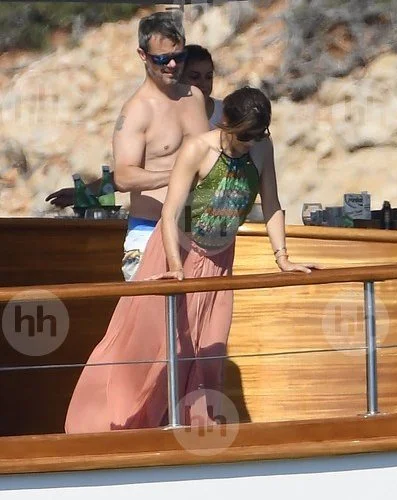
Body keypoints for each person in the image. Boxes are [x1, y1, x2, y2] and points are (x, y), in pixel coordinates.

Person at [64, 86, 320, 434]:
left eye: (257, 136)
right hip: (175, 253)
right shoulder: (197, 150)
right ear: (226, 123)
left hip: (219, 260)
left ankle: (195, 431)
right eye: (244, 136)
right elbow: (169, 214)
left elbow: (272, 203)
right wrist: (176, 268)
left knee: (208, 351)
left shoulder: (262, 147)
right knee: (155, 350)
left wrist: (283, 258)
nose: (249, 143)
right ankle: (115, 426)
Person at [45, 11, 209, 280]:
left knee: (198, 320)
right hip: (150, 231)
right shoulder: (136, 111)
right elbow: (124, 175)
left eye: (178, 57)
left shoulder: (195, 98)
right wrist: (180, 175)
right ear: (143, 55)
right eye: (161, 59)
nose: (171, 64)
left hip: (196, 230)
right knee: (150, 320)